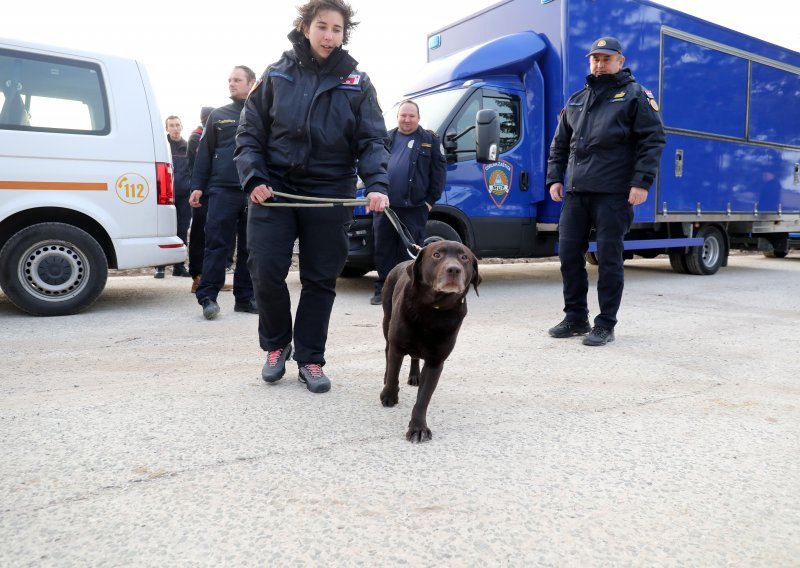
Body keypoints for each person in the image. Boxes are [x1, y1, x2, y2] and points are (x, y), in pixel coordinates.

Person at [235, 0, 389, 394]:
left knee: (320, 279)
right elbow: (250, 133)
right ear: (305, 27)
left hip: (329, 192)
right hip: (275, 190)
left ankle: (310, 359)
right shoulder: (276, 74)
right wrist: (253, 177)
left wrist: (376, 184)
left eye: (337, 30)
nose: (329, 36)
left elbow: (372, 139)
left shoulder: (357, 82)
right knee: (265, 270)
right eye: (322, 26)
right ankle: (275, 346)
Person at [546, 36, 666, 346]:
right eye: (595, 59)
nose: (600, 64)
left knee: (609, 259)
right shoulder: (576, 99)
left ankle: (605, 324)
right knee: (569, 256)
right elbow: (560, 145)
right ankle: (575, 318)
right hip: (575, 192)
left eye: (606, 58)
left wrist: (641, 183)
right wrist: (555, 179)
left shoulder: (635, 96)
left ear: (620, 62)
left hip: (613, 192)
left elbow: (652, 141)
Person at [189, 66, 258, 319]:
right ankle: (208, 297)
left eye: (237, 80)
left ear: (251, 82)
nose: (231, 84)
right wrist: (198, 186)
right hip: (222, 191)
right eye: (229, 80)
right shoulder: (218, 115)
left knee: (250, 248)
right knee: (217, 245)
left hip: (253, 192)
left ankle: (245, 298)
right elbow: (204, 153)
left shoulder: (263, 114)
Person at [370, 99, 446, 305]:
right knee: (383, 249)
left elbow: (439, 173)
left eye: (411, 116)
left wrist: (430, 201)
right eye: (403, 115)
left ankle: (406, 291)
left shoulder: (430, 140)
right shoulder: (386, 138)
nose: (407, 119)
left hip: (414, 207)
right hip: (385, 207)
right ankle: (383, 290)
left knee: (408, 252)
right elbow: (374, 165)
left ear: (418, 118)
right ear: (397, 117)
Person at [186, 106, 232, 293]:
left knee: (217, 237)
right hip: (202, 194)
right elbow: (198, 165)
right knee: (200, 235)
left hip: (217, 192)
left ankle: (214, 278)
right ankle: (198, 277)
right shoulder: (197, 137)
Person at [154, 115, 192, 278]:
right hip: (164, 197)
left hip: (184, 196)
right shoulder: (161, 146)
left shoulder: (188, 147)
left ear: (182, 127)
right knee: (163, 229)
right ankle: (160, 268)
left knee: (182, 230)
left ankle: (179, 267)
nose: (175, 128)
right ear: (166, 128)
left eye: (178, 125)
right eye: (172, 126)